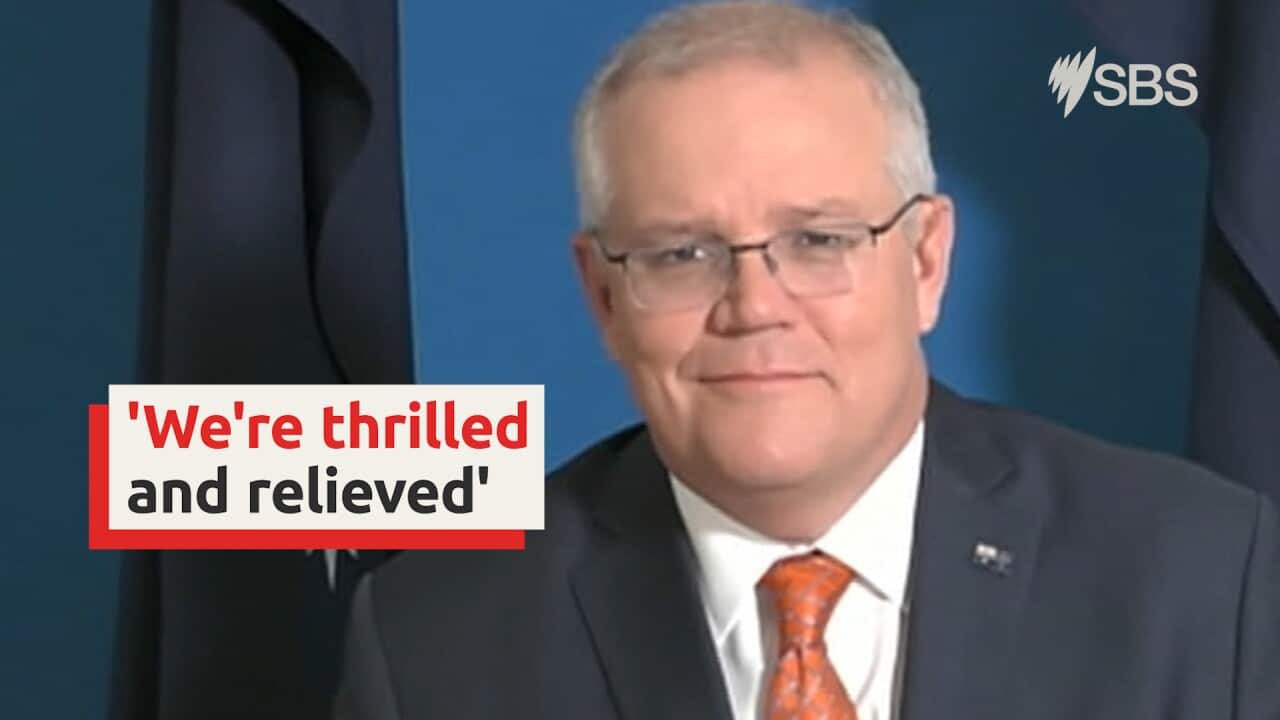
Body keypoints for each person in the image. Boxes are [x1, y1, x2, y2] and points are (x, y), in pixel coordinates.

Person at [333, 2, 1280, 718]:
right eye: (681, 254)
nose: (754, 307)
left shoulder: (1202, 579)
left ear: (926, 261)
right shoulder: (434, 641)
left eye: (820, 241)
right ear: (603, 296)